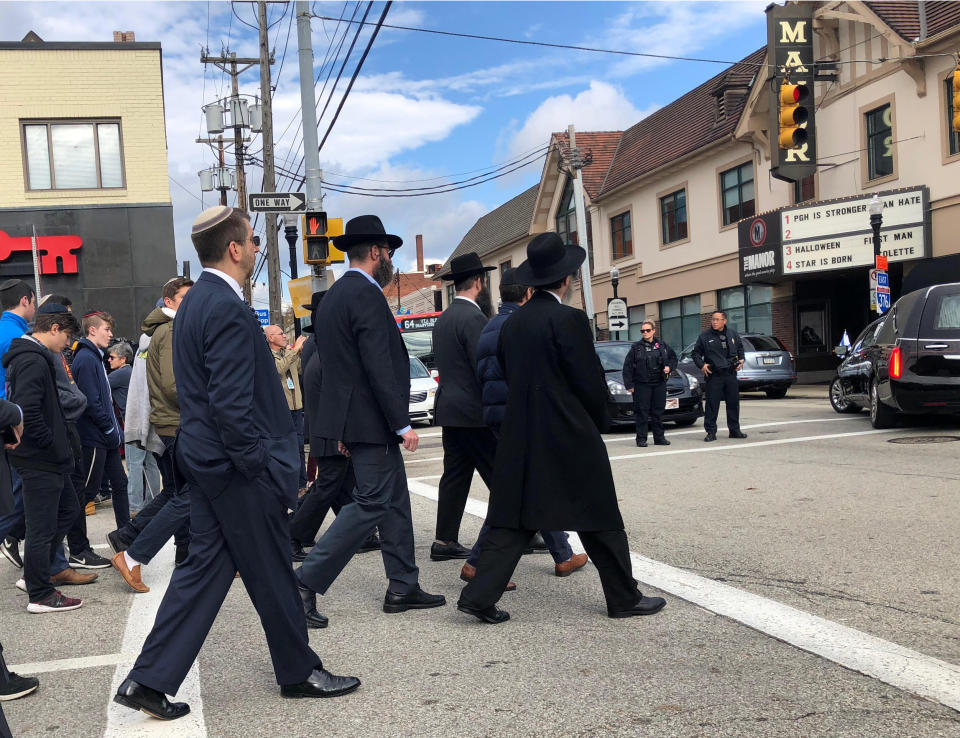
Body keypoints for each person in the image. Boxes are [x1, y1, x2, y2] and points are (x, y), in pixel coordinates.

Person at [114, 206, 358, 722]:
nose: (253, 247)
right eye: (250, 240)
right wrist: (259, 465)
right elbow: (230, 402)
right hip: (236, 469)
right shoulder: (223, 305)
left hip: (209, 463)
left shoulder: (198, 302)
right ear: (234, 248)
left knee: (203, 569)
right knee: (271, 569)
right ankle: (299, 672)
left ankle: (148, 679)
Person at [457, 233, 667, 624]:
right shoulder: (568, 320)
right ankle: (623, 597)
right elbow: (587, 381)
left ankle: (479, 594)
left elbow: (505, 370)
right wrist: (599, 420)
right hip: (566, 430)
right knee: (599, 512)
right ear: (567, 279)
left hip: (521, 432)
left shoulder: (512, 325)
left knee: (515, 516)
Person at [296, 215, 444, 620]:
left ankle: (403, 586)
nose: (391, 259)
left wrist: (342, 426)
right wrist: (402, 423)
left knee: (394, 501)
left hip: (358, 419)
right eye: (389, 253)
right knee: (372, 502)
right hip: (374, 420)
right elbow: (377, 364)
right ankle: (305, 581)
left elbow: (338, 370)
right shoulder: (364, 295)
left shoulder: (336, 295)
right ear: (377, 252)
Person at [466, 266, 587, 582]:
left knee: (530, 487)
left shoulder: (490, 326)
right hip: (520, 417)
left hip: (495, 415)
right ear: (530, 293)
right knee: (519, 493)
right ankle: (480, 564)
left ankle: (562, 554)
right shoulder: (519, 325)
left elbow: (484, 374)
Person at [5, 305, 96, 613]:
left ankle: (38, 573)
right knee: (42, 526)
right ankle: (40, 593)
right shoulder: (32, 359)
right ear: (54, 328)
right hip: (39, 459)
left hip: (48, 458)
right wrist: (51, 445)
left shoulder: (37, 357)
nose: (68, 345)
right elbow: (26, 411)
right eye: (68, 336)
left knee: (68, 510)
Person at [109, 279, 196, 592]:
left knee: (179, 492)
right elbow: (175, 387)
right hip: (177, 424)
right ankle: (132, 554)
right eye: (185, 297)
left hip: (166, 425)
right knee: (189, 494)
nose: (191, 302)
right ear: (168, 301)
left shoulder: (153, 334)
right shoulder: (171, 331)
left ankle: (136, 543)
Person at [429, 252, 496, 562]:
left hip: (450, 409)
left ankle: (444, 540)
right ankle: (520, 533)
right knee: (502, 477)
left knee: (455, 476)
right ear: (479, 282)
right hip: (474, 412)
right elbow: (482, 366)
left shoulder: (444, 319)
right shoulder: (473, 318)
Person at [72, 312, 130, 533]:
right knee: (87, 490)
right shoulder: (86, 359)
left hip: (106, 437)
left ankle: (124, 536)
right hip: (95, 437)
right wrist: (108, 427)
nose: (111, 334)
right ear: (92, 330)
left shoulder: (94, 356)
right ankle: (74, 543)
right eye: (107, 329)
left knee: (120, 484)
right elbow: (91, 402)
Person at [263, 325, 308, 491]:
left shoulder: (287, 354)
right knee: (286, 448)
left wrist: (300, 353)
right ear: (270, 338)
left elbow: (300, 370)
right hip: (282, 410)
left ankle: (302, 484)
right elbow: (278, 370)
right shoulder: (268, 356)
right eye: (280, 334)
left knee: (299, 447)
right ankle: (287, 485)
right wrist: (295, 350)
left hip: (297, 408)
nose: (285, 336)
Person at [691, 310, 747, 443]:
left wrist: (742, 360)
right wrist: (702, 365)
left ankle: (734, 430)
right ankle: (711, 432)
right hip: (714, 375)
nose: (714, 322)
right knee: (712, 404)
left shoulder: (732, 333)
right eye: (713, 319)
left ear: (724, 321)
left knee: (733, 403)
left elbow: (740, 348)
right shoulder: (704, 336)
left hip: (730, 374)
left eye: (717, 319)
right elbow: (696, 354)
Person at [622, 321, 677, 448]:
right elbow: (628, 366)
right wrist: (629, 385)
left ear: (653, 331)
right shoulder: (636, 347)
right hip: (642, 384)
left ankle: (659, 438)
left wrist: (669, 367)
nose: (645, 333)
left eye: (647, 330)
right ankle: (641, 439)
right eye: (643, 331)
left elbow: (673, 358)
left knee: (658, 411)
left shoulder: (662, 345)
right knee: (642, 412)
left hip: (659, 383)